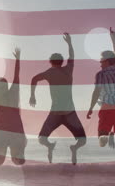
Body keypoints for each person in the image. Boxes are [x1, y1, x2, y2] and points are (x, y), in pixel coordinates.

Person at [30, 33, 86, 165]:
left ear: (50, 62)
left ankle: (49, 146)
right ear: (61, 62)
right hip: (69, 113)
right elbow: (72, 56)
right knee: (82, 140)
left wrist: (32, 95)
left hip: (55, 113)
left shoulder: (49, 73)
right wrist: (70, 43)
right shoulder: (68, 70)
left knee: (41, 139)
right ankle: (74, 148)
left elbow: (34, 79)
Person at [87, 27, 115, 149]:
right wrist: (113, 39)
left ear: (107, 61)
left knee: (101, 142)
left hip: (106, 109)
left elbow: (96, 92)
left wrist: (91, 108)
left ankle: (106, 136)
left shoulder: (100, 75)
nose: (100, 63)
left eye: (102, 61)